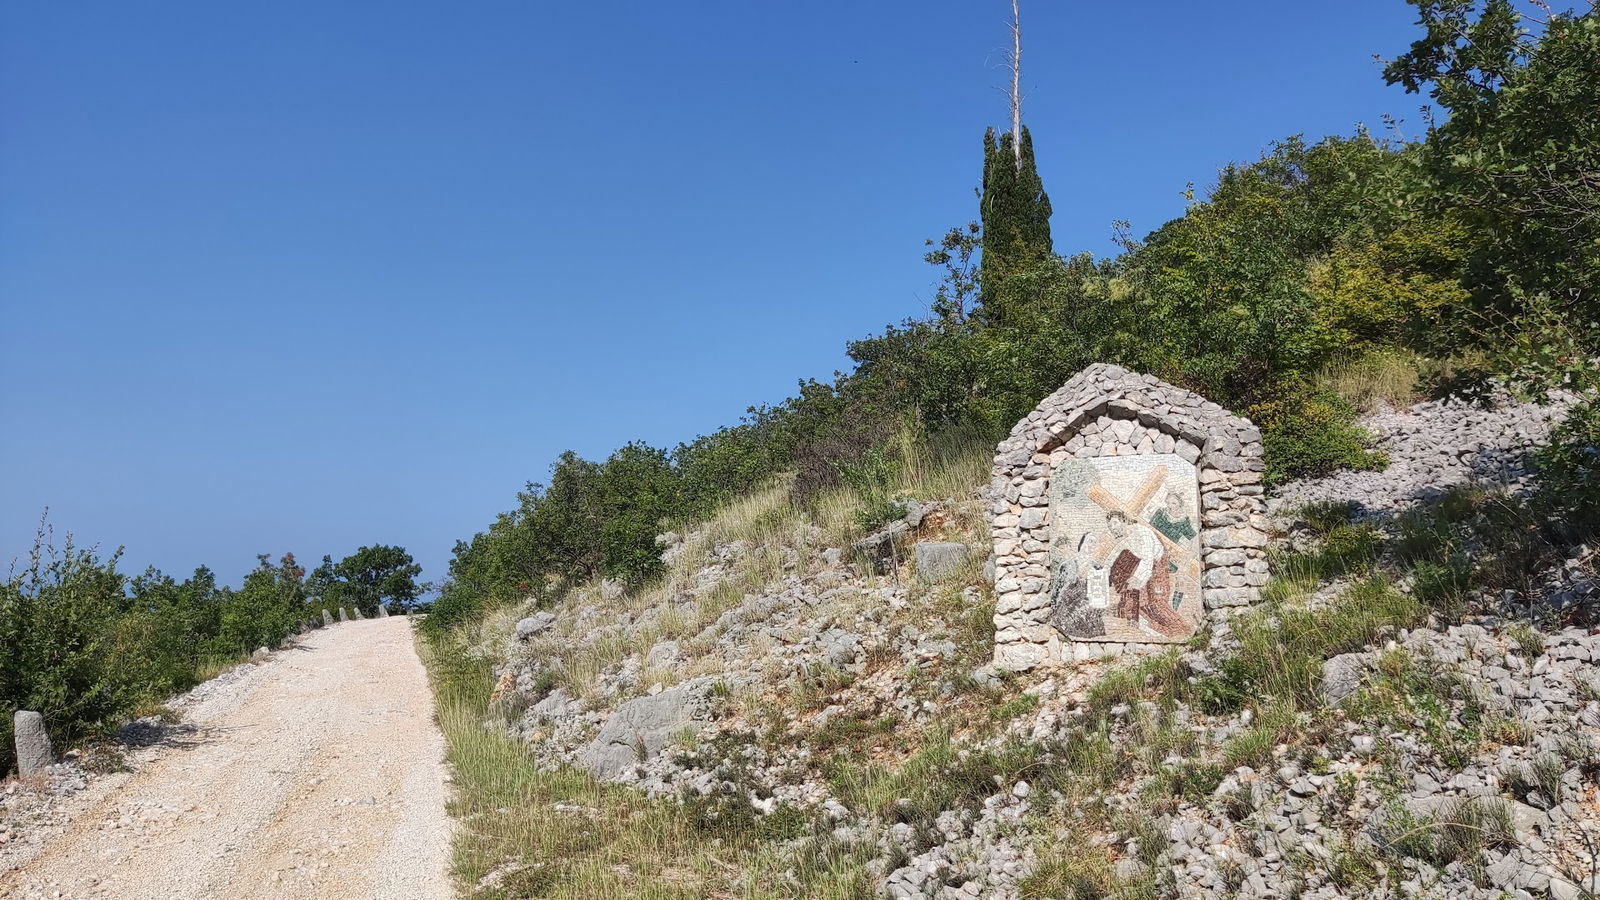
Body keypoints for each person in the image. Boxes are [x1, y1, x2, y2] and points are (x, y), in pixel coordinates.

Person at [1105, 511, 1187, 638]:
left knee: (1157, 603)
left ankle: (1181, 629)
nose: (1113, 528)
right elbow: (1114, 553)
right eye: (1110, 526)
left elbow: (1148, 559)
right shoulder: (1127, 538)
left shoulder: (1143, 533)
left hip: (1157, 568)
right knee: (1141, 603)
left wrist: (1137, 579)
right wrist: (1104, 569)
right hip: (1145, 569)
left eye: (1115, 523)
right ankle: (1159, 631)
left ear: (1124, 520)